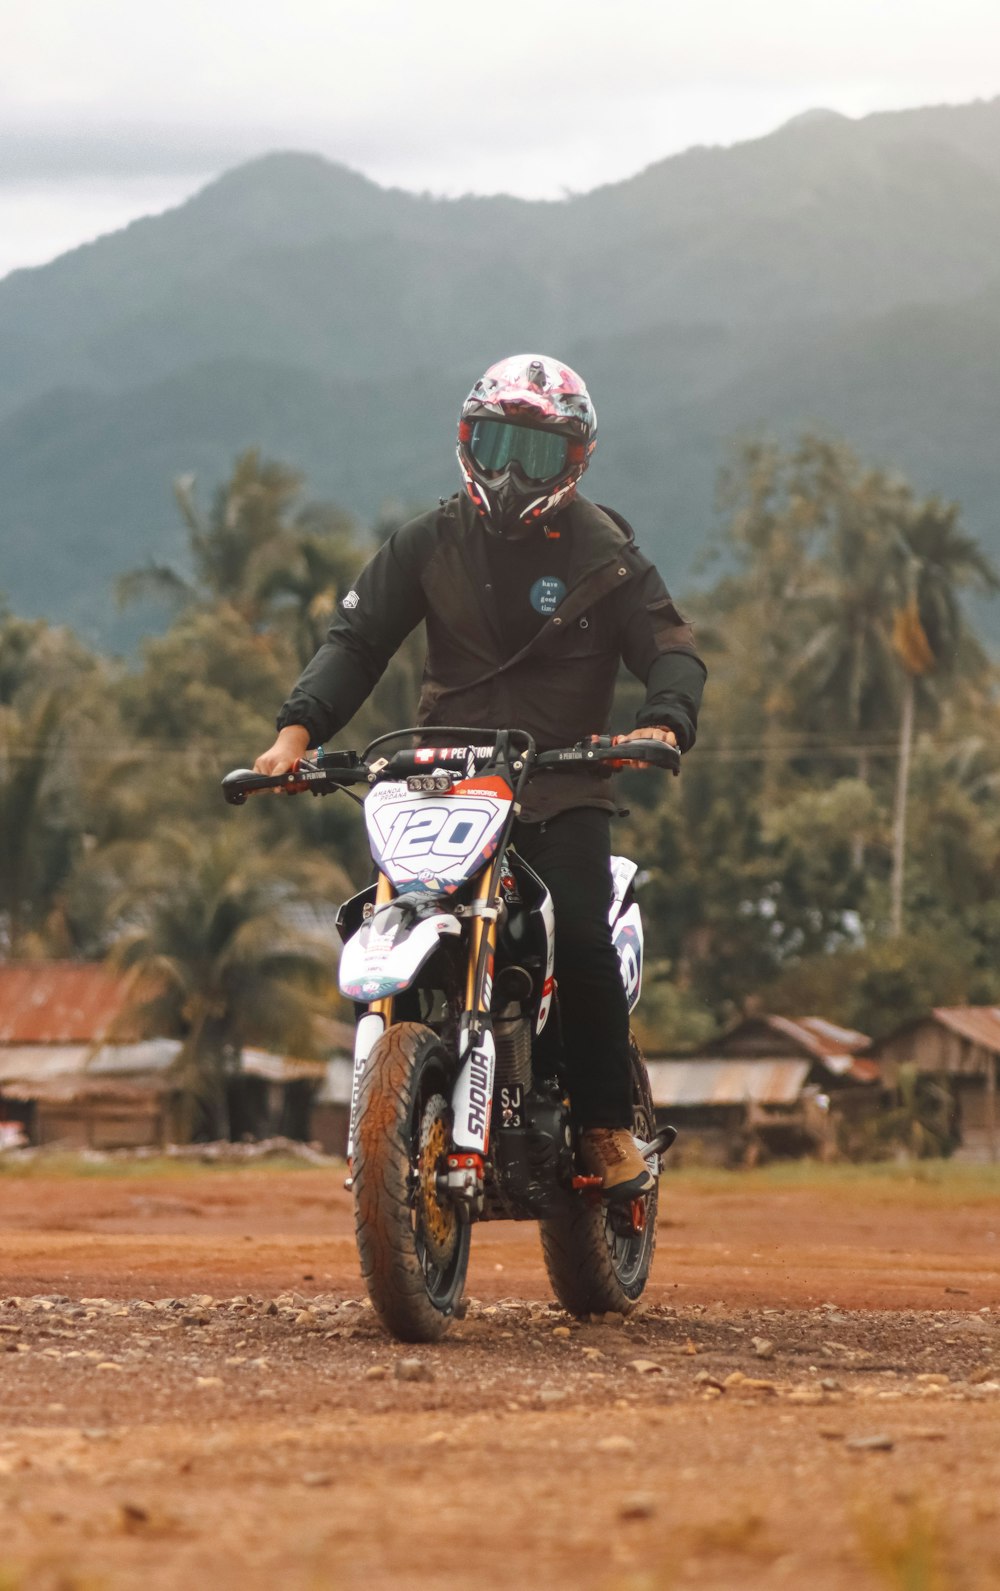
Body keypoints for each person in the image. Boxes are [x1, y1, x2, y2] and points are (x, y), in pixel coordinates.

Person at [254, 353, 706, 1199]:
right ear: (466, 442)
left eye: (532, 452)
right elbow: (355, 642)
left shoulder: (607, 553)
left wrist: (660, 724)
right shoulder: (429, 541)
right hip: (442, 787)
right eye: (493, 444)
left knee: (577, 929)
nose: (507, 470)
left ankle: (605, 1123)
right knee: (379, 917)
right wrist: (294, 734)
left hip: (562, 785)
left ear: (573, 461)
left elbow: (670, 651)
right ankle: (391, 1099)